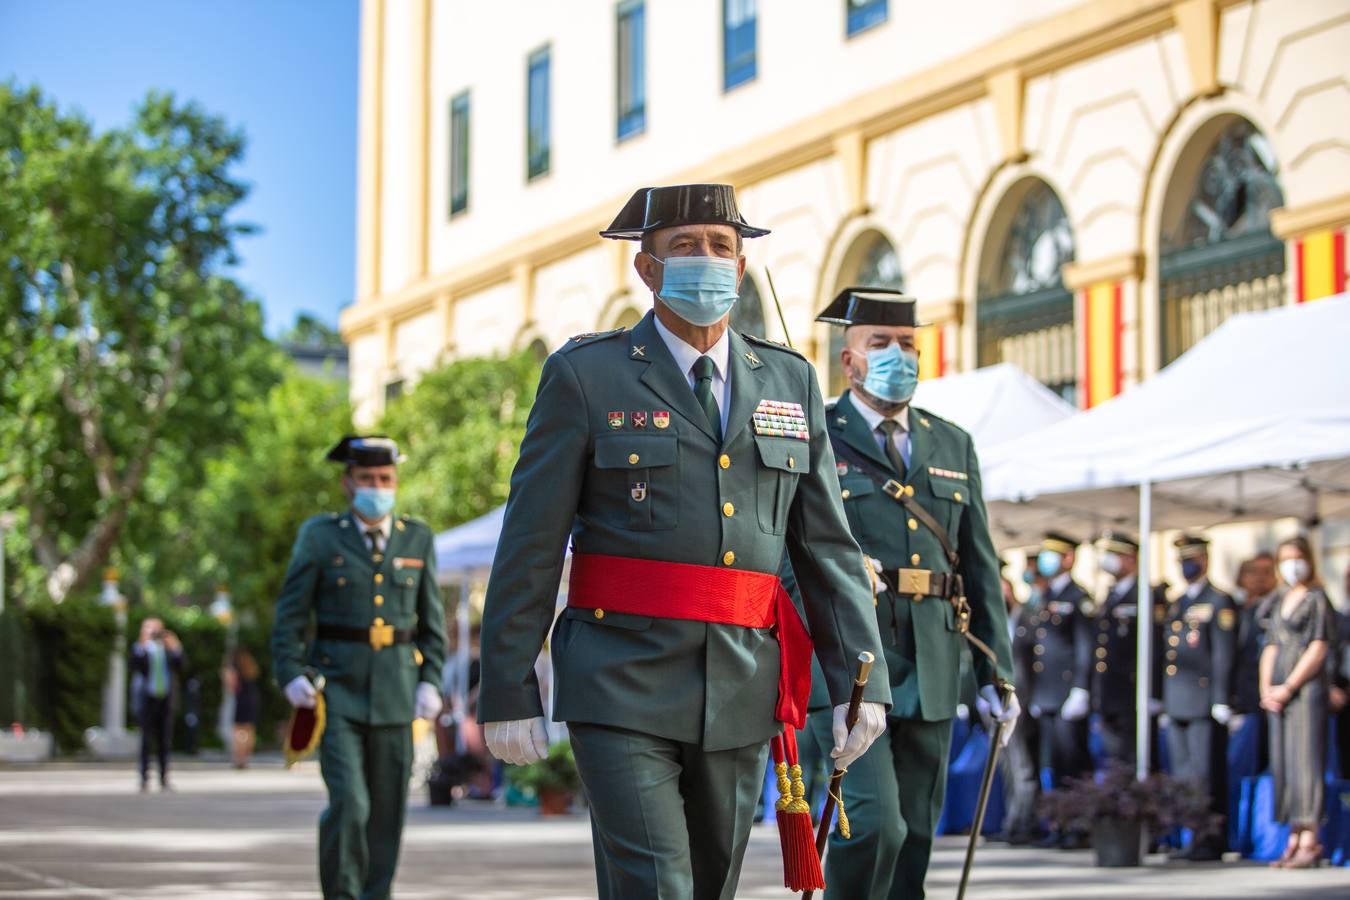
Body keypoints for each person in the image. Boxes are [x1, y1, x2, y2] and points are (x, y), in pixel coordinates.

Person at [477, 184, 890, 900]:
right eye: (686, 247)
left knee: (709, 886)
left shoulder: (787, 378)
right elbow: (531, 542)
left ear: (742, 264)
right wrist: (508, 684)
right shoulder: (585, 374)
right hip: (619, 676)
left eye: (722, 247)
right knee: (658, 885)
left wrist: (864, 680)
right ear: (648, 268)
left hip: (740, 681)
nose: (707, 261)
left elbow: (826, 548)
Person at [795, 286, 1017, 899]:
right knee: (872, 825)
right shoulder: (817, 434)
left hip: (935, 655)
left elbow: (980, 564)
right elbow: (787, 548)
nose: (899, 356)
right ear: (849, 361)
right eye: (881, 343)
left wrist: (997, 670)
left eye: (908, 344)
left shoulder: (951, 443)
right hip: (852, 663)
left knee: (917, 831)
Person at [271, 435, 447, 900]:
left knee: (388, 814)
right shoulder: (320, 535)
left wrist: (430, 680)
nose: (377, 487)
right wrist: (289, 672)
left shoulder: (417, 537)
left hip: (396, 694)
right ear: (348, 483)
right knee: (350, 805)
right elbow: (290, 614)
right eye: (367, 478)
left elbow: (432, 622)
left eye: (385, 479)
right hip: (338, 695)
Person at [1261, 536, 1336, 869]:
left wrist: (1289, 686)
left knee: (1307, 762)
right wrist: (1267, 688)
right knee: (1285, 764)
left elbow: (1318, 647)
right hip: (1278, 694)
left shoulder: (1317, 598)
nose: (1292, 565)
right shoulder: (1279, 599)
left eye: (1297, 558)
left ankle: (1311, 839)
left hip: (1305, 692)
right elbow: (1271, 645)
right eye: (1285, 558)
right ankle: (1293, 834)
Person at [1162, 533, 1237, 861]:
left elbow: (1223, 654)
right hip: (1177, 699)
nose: (1185, 566)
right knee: (1182, 773)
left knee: (1204, 774)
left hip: (1204, 701)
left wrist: (1221, 698)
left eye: (1190, 559)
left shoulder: (1219, 601)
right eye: (1181, 560)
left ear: (1205, 559)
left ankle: (1209, 838)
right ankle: (1190, 836)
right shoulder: (1179, 603)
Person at [1018, 532, 1093, 848]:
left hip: (1067, 694)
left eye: (1055, 555)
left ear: (1069, 559)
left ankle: (1077, 826)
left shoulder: (1079, 598)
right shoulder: (1045, 597)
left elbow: (1085, 648)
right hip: (1046, 694)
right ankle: (1060, 825)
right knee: (1054, 764)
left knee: (1071, 764)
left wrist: (1081, 688)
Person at [1091, 530, 1166, 767]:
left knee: (1136, 760)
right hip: (1110, 693)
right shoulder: (1111, 595)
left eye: (1115, 554)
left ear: (1131, 558)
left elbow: (1155, 647)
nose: (1108, 560)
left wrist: (1154, 692)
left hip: (1134, 693)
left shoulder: (1146, 595)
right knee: (1114, 762)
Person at [997, 569, 1042, 845]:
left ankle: (1025, 821)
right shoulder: (997, 622)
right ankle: (1013, 821)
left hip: (1023, 701)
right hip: (1000, 704)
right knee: (1007, 767)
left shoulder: (1026, 619)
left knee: (1023, 766)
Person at [130, 617, 184, 792]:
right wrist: (143, 645)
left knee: (164, 740)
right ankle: (144, 777)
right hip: (147, 699)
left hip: (165, 699)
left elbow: (182, 665)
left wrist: (176, 646)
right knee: (146, 740)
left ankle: (164, 778)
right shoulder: (141, 649)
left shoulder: (168, 649)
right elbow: (134, 665)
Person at [224, 647, 261, 769]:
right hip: (252, 699)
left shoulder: (234, 667)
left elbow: (231, 686)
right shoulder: (250, 666)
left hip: (241, 700)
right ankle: (246, 758)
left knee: (238, 731)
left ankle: (238, 758)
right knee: (249, 731)